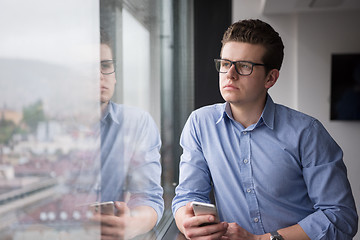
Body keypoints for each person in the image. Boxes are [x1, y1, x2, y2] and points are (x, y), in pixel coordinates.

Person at [172, 19, 358, 240]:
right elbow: (188, 196)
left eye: (244, 66)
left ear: (270, 78)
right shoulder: (199, 124)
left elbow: (340, 217)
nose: (230, 74)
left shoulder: (307, 133)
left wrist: (261, 239)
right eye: (225, 63)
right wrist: (187, 223)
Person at [88, 28, 164, 239]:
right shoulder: (49, 126)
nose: (99, 76)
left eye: (106, 66)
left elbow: (149, 198)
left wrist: (130, 224)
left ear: (115, 76)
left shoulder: (136, 123)